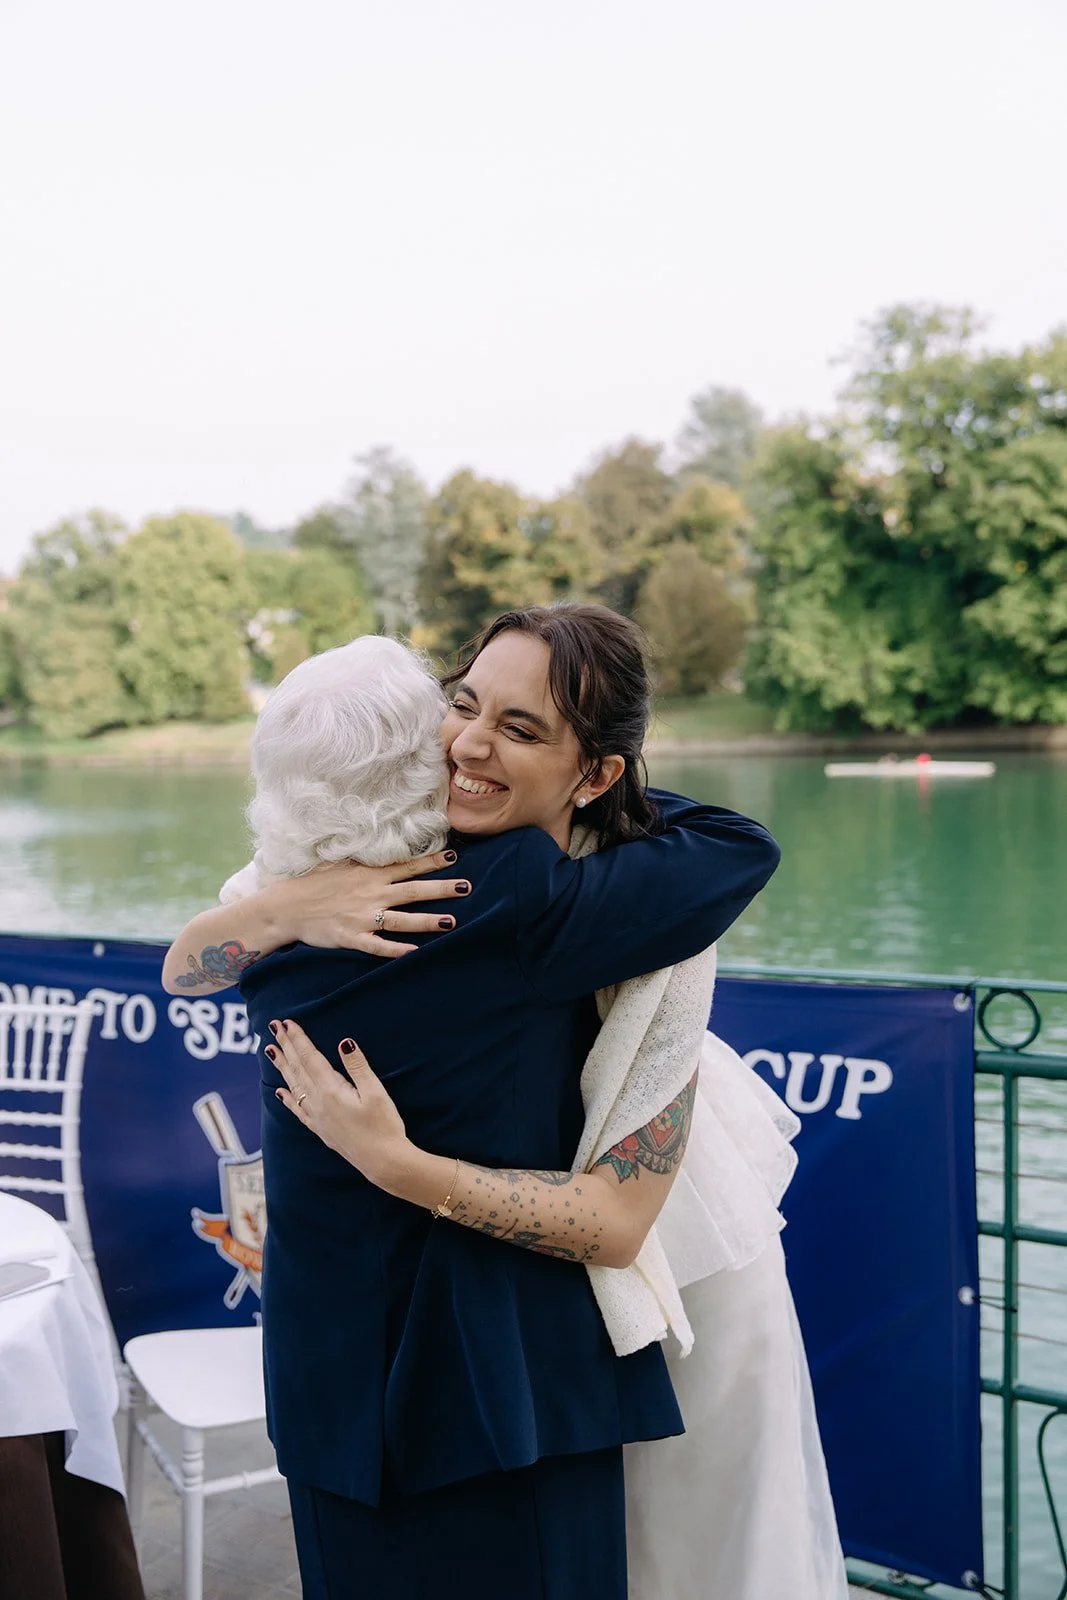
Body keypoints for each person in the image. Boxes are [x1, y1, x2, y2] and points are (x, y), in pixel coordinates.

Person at [162, 610, 781, 1600]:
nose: (469, 743)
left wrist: (286, 909)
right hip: (502, 1381)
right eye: (460, 707)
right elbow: (738, 844)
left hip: (342, 1371)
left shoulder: (300, 883)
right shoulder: (524, 890)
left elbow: (190, 966)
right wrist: (568, 786)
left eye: (518, 726)